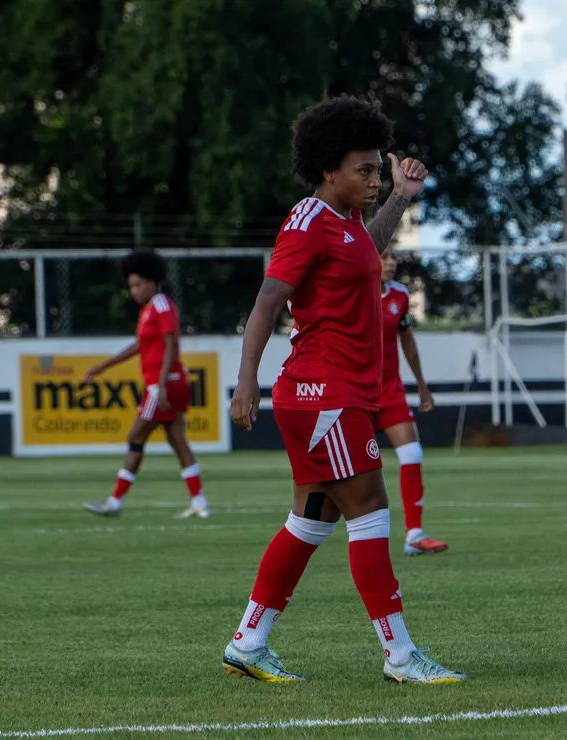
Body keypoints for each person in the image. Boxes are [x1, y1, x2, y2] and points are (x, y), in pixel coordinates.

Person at [222, 96, 465, 684]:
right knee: (371, 513)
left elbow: (367, 248)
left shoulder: (350, 221)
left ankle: (249, 639)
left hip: (333, 395)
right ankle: (402, 657)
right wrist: (245, 380)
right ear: (328, 168)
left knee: (309, 521)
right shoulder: (306, 223)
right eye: (365, 170)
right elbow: (267, 302)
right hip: (323, 394)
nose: (375, 179)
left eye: (379, 169)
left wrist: (401, 200)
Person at [82, 251, 209, 520]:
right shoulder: (149, 310)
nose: (134, 291)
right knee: (179, 443)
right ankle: (199, 503)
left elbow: (172, 344)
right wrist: (103, 367)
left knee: (135, 437)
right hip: (170, 384)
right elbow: (141, 346)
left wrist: (161, 385)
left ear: (152, 281)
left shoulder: (161, 305)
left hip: (163, 385)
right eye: (131, 286)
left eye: (138, 284)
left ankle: (115, 501)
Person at [377, 247, 448, 556]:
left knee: (412, 453)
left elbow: (406, 339)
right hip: (353, 391)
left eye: (393, 258)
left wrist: (422, 385)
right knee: (348, 472)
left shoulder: (399, 296)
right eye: (383, 257)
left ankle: (414, 535)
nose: (390, 263)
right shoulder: (350, 293)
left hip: (389, 391)